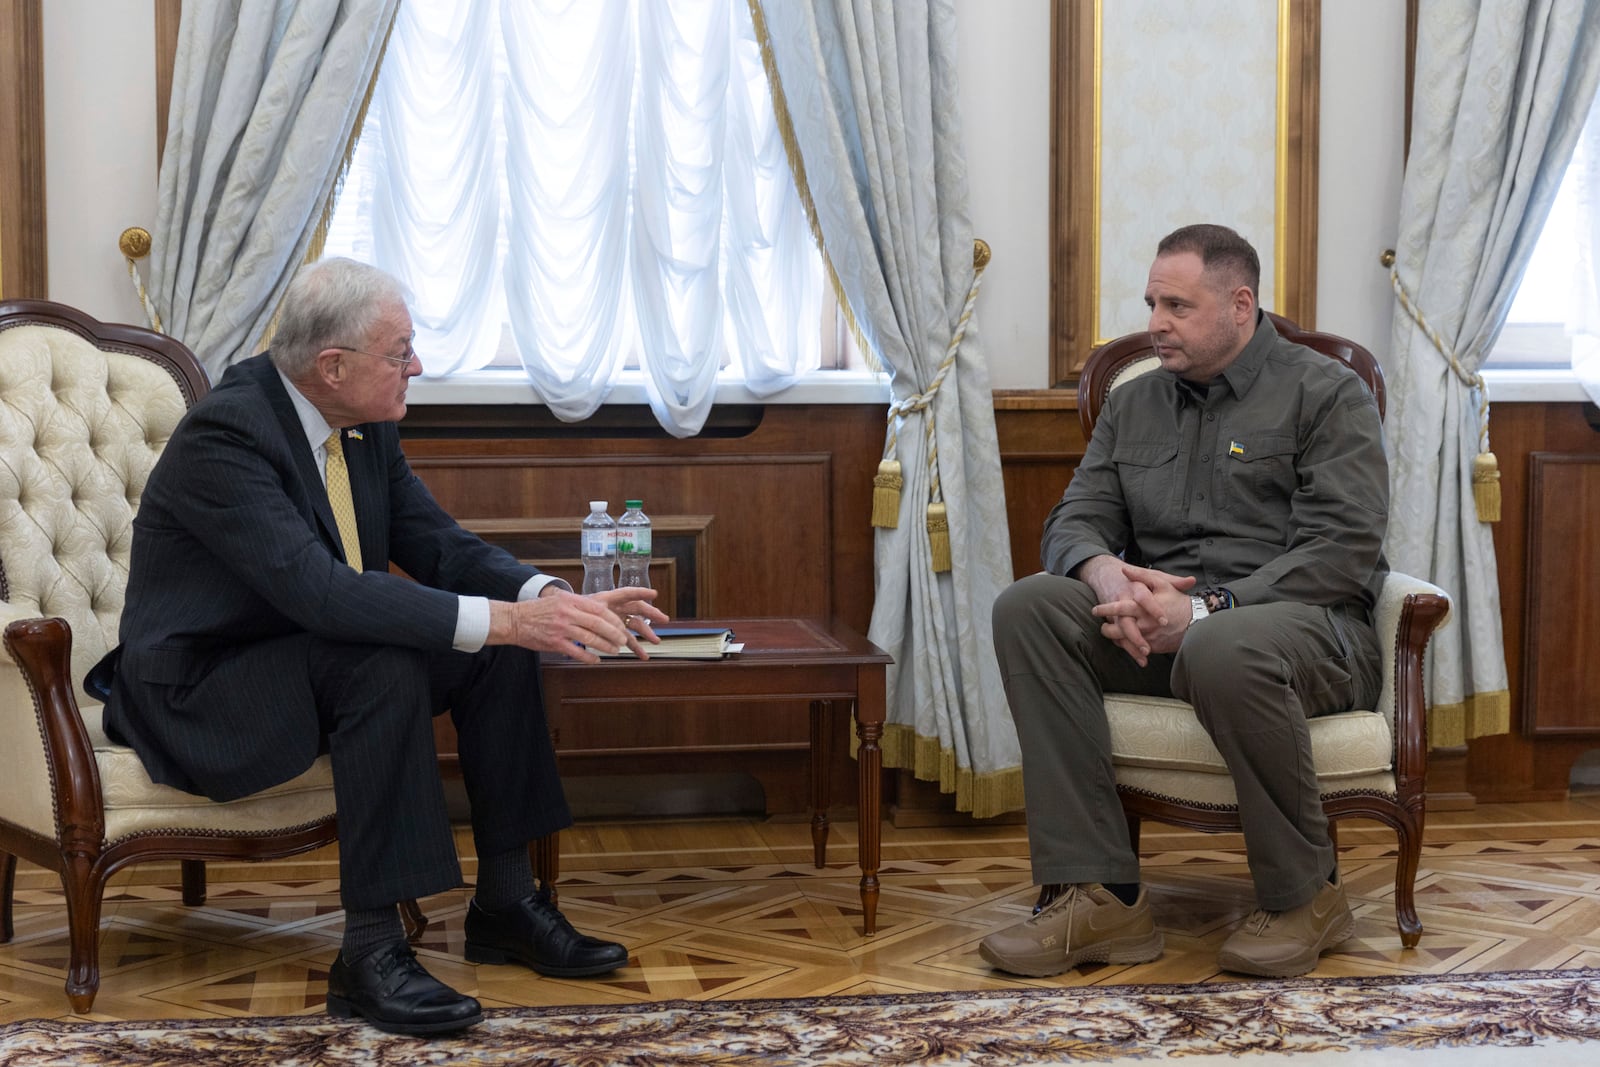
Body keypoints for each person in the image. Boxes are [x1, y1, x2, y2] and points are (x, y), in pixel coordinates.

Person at [91, 257, 670, 1035]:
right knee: (385, 656)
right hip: (202, 694)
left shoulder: (356, 423)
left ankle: (507, 901)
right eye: (401, 351)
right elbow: (319, 592)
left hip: (301, 660)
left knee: (494, 647)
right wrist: (501, 617)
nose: (417, 365)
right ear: (332, 365)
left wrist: (544, 600)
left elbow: (434, 541)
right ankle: (369, 952)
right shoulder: (226, 437)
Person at [979, 224, 1388, 980]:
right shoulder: (1133, 405)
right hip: (1160, 635)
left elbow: (1341, 552)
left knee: (1220, 643)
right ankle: (1102, 894)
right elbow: (1076, 518)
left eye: (1177, 304)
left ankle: (1308, 895)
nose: (1155, 322)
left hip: (1309, 636)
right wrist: (1107, 576)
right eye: (1151, 302)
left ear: (1240, 304)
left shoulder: (1326, 393)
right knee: (1029, 607)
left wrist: (1204, 611)